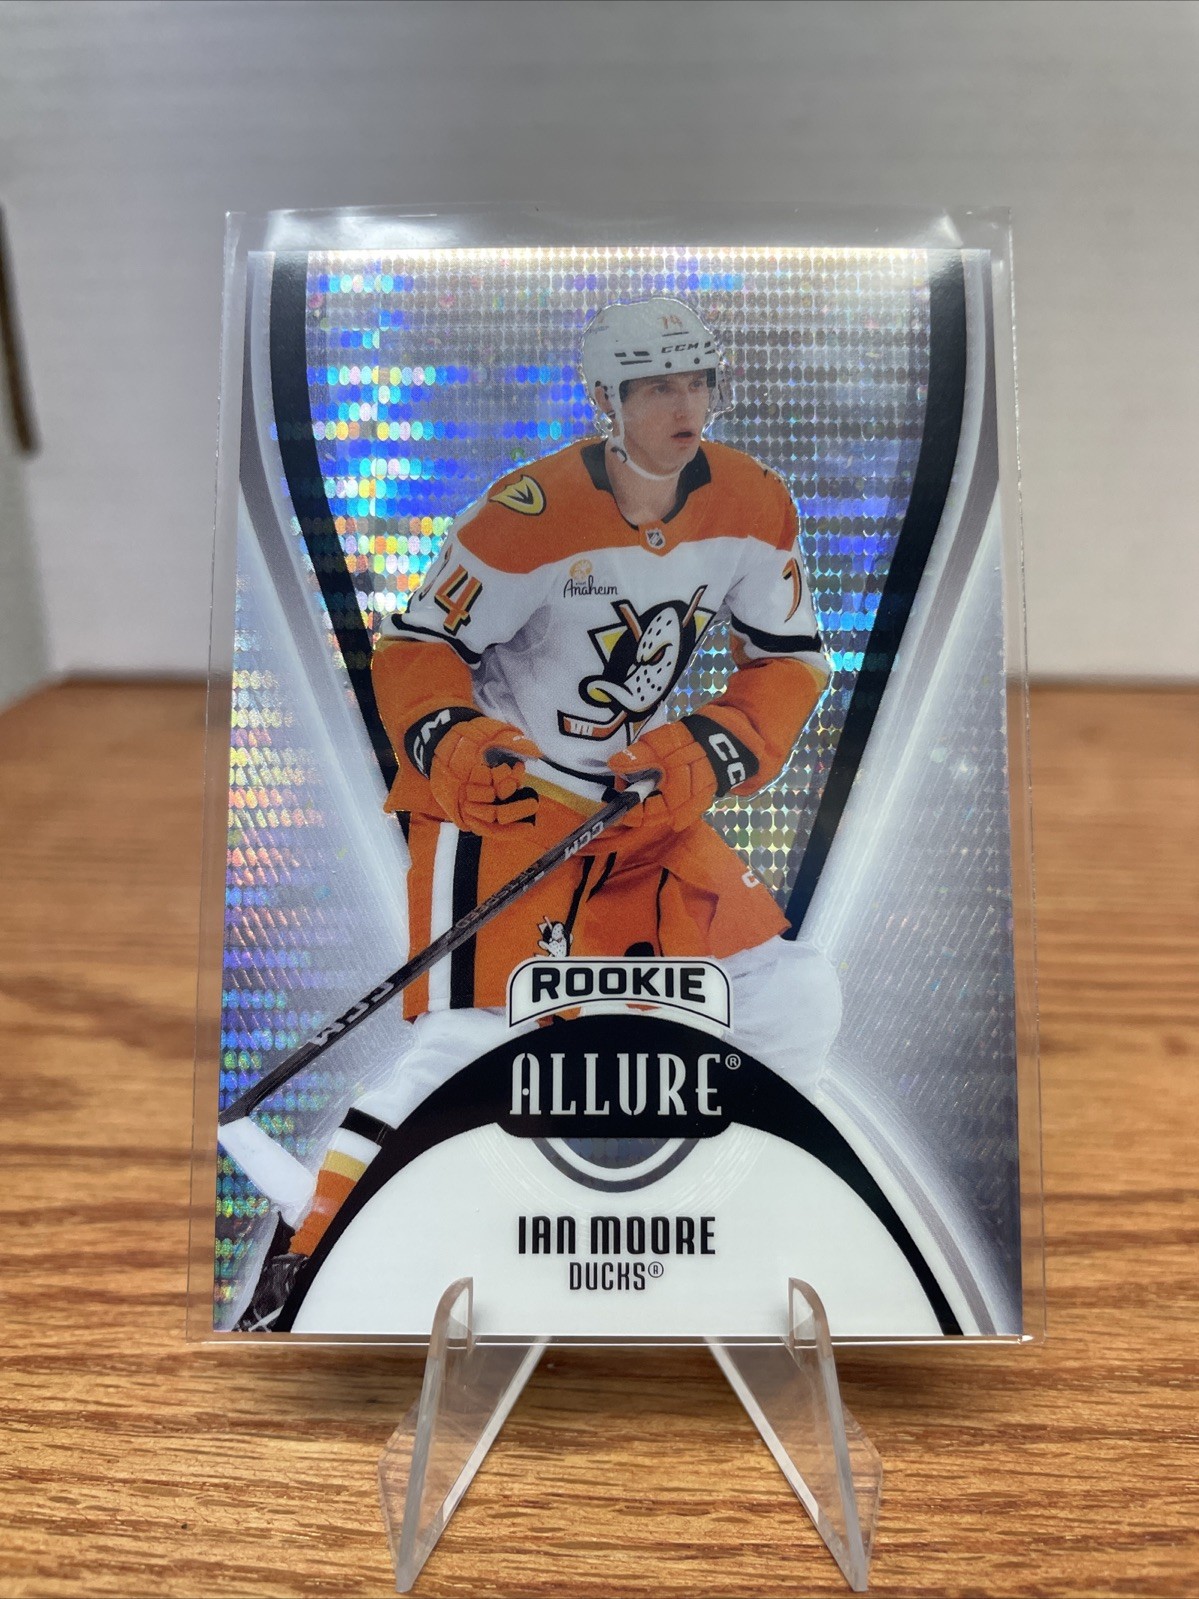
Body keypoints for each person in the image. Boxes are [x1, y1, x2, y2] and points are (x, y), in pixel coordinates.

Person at [238, 297, 840, 1328]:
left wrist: (708, 748)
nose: (684, 406)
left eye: (698, 381)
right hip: (501, 805)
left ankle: (735, 1195)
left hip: (638, 801)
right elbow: (418, 647)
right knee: (472, 1042)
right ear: (606, 399)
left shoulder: (752, 499)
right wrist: (452, 738)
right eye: (657, 386)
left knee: (787, 994)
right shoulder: (525, 513)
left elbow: (788, 659)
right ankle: (307, 1262)